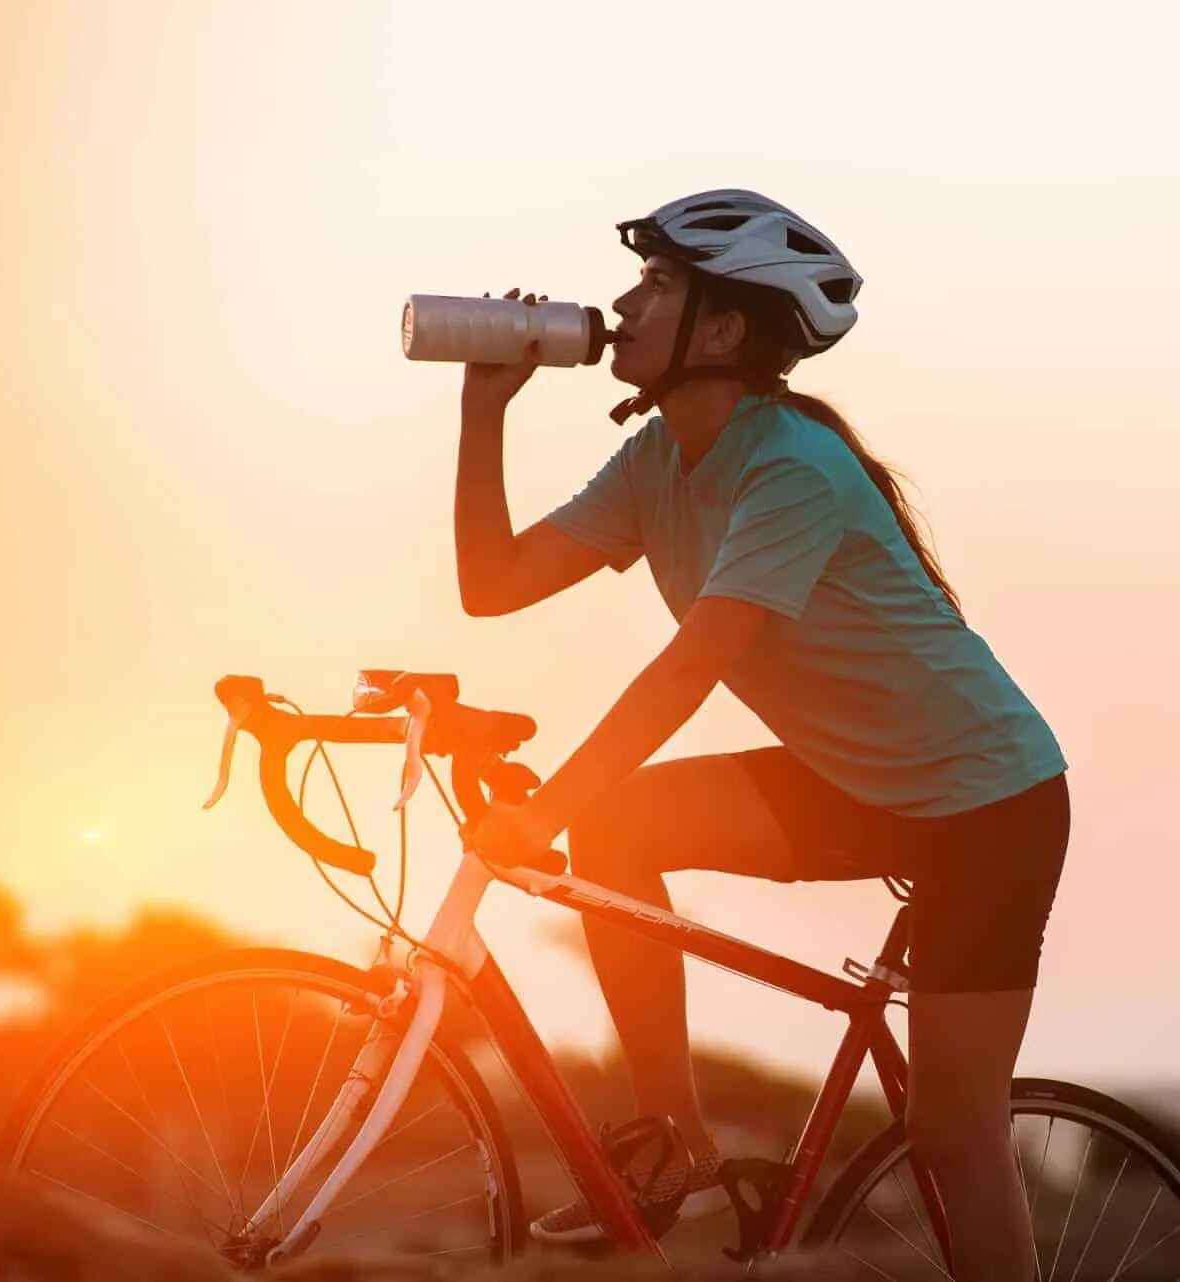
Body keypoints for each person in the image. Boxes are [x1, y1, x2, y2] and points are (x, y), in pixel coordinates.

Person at [453, 189, 1069, 1280]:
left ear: (726, 330)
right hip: (855, 783)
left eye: (657, 286)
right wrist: (483, 409)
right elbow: (491, 585)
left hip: (987, 804)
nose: (624, 303)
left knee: (951, 1138)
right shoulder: (656, 464)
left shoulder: (791, 467)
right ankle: (672, 1147)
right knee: (618, 828)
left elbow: (690, 669)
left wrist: (538, 809)